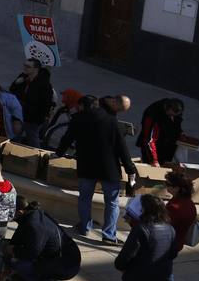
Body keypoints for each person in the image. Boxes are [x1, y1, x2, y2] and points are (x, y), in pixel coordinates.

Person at [56, 94, 138, 244]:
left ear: (82, 106)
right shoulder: (111, 120)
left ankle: (85, 227)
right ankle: (108, 235)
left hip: (86, 166)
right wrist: (130, 169)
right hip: (109, 168)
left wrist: (58, 153)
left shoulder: (77, 119)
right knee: (112, 202)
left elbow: (67, 139)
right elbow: (122, 148)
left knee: (85, 198)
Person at [8, 200, 79, 281]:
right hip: (64, 257)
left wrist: (13, 250)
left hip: (67, 265)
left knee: (21, 265)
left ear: (19, 212)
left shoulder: (35, 225)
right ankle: (31, 275)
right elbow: (19, 236)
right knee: (14, 255)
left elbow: (31, 253)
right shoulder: (32, 215)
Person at [160, 170, 197, 281]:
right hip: (177, 243)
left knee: (163, 275)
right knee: (167, 274)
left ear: (177, 188)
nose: (166, 187)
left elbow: (163, 225)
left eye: (168, 184)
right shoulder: (189, 203)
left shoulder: (174, 207)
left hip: (166, 245)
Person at [9, 58, 54, 147]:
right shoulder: (23, 77)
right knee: (14, 137)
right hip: (19, 114)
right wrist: (16, 82)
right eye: (24, 65)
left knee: (32, 140)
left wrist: (40, 118)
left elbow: (46, 103)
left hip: (33, 118)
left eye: (28, 66)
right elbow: (12, 90)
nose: (25, 68)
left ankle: (37, 158)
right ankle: (11, 154)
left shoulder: (44, 84)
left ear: (35, 69)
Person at [136, 98, 184, 166]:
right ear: (167, 109)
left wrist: (180, 132)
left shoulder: (175, 109)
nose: (172, 117)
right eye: (171, 115)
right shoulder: (152, 115)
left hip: (166, 144)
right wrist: (154, 160)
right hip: (152, 147)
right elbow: (149, 140)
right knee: (152, 169)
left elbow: (176, 122)